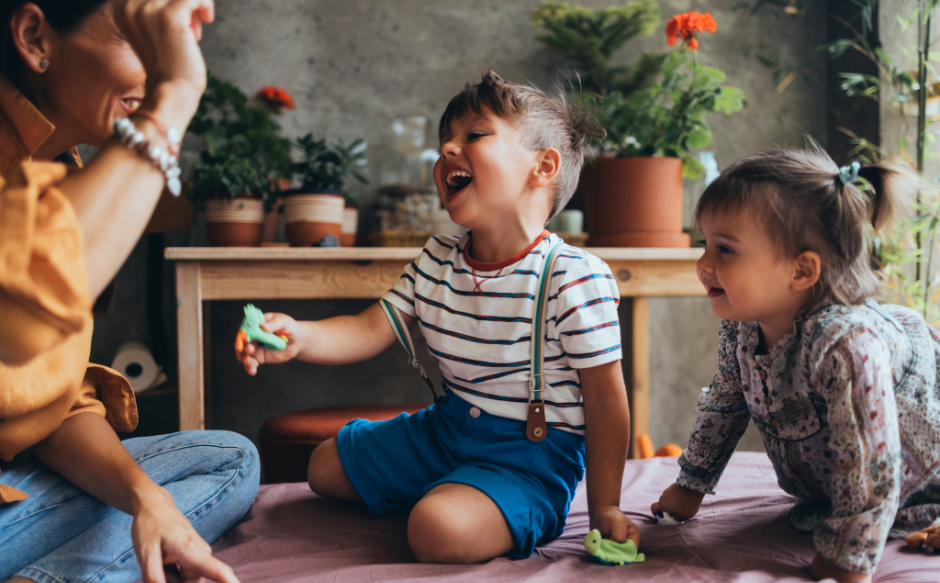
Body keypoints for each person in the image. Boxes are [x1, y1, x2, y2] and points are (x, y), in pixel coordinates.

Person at [236, 71, 637, 563]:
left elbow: (605, 400)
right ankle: (455, 487)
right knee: (323, 466)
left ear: (543, 166)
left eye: (474, 135)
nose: (447, 149)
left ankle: (485, 503)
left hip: (529, 460)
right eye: (445, 140)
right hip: (444, 433)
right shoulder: (436, 259)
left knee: (436, 531)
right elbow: (366, 329)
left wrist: (606, 506)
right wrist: (298, 335)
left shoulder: (573, 275)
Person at [0, 2, 259, 583]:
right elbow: (23, 319)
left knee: (231, 459)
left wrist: (147, 499)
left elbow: (55, 408)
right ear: (34, 37)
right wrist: (174, 95)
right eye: (137, 34)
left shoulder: (65, 172)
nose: (163, 61)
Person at [651, 146, 940, 583]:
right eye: (703, 244)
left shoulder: (847, 346)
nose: (703, 264)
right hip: (823, 497)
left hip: (920, 483)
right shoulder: (743, 327)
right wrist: (690, 484)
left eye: (725, 249)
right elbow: (727, 402)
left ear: (802, 271)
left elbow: (870, 461)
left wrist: (848, 556)